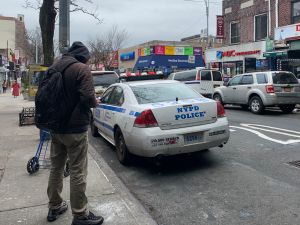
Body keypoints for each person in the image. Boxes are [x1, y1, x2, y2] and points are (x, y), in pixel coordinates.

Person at [46, 42, 104, 225]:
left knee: (56, 167)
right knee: (77, 170)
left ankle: (54, 206)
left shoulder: (54, 67)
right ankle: (80, 214)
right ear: (82, 57)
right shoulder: (81, 69)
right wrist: (95, 102)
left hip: (55, 127)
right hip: (75, 129)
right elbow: (87, 98)